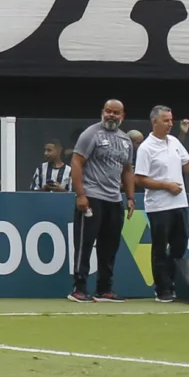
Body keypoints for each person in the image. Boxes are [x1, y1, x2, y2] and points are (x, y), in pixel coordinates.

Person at [131, 106, 189, 301]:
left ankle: (173, 282)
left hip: (180, 203)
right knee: (159, 247)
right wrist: (165, 185)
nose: (170, 124)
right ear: (154, 122)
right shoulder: (146, 148)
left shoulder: (174, 142)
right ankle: (162, 289)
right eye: (166, 121)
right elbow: (139, 179)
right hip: (159, 206)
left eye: (171, 120)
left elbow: (188, 166)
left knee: (180, 245)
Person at [70, 98, 135, 302]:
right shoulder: (91, 134)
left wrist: (131, 197)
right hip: (92, 196)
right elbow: (77, 162)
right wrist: (81, 194)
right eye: (108, 111)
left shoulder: (126, 140)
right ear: (102, 112)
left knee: (110, 246)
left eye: (116, 113)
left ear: (122, 116)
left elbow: (127, 170)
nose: (111, 116)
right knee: (85, 244)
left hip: (114, 199)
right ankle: (79, 289)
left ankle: (104, 289)